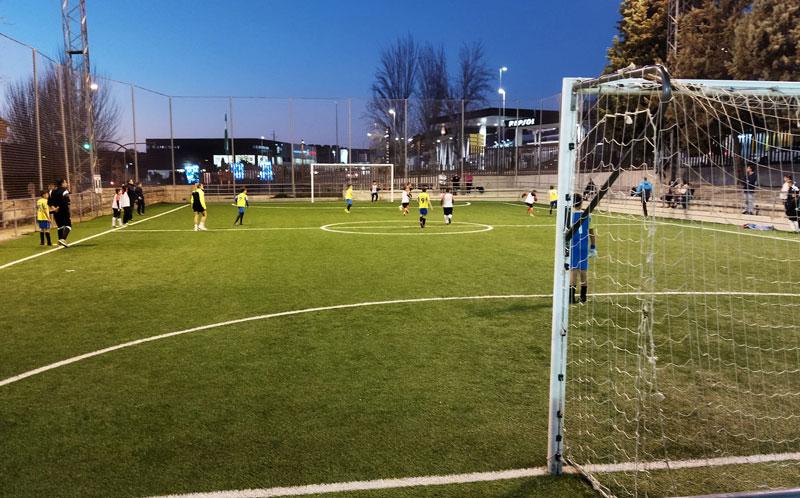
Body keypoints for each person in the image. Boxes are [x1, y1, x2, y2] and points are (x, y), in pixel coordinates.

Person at [569, 193, 597, 304]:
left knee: (573, 271)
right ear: (581, 202)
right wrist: (593, 246)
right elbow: (591, 232)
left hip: (573, 246)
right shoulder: (588, 216)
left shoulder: (569, 216)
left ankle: (571, 298)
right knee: (583, 271)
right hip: (584, 246)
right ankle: (583, 297)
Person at [49, 178, 72, 247]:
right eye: (65, 182)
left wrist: (54, 208)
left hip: (56, 212)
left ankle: (59, 241)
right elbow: (66, 201)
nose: (67, 184)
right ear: (62, 183)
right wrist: (58, 207)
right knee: (68, 225)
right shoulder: (65, 191)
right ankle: (63, 239)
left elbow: (49, 202)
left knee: (60, 226)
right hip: (63, 210)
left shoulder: (51, 191)